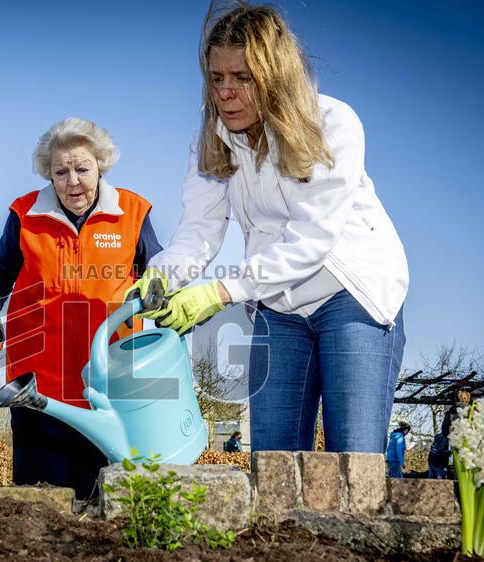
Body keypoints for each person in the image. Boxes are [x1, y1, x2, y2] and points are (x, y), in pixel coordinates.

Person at [131, 5, 408, 455]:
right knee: (274, 460)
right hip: (279, 306)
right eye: (217, 77)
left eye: (241, 77)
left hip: (352, 296)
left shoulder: (332, 124)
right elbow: (197, 233)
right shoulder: (213, 141)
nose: (225, 91)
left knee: (354, 460)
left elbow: (312, 241)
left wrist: (217, 293)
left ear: (274, 74)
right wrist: (163, 274)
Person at [0, 117, 162, 499]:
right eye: (61, 171)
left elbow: (156, 269)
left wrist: (158, 287)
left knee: (107, 499)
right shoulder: (25, 214)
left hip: (109, 378)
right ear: (48, 173)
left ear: (100, 166)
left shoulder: (133, 212)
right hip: (38, 382)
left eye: (82, 169)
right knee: (39, 497)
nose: (72, 181)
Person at [428, 410, 455, 479]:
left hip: (433, 462)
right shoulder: (444, 438)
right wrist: (451, 452)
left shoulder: (440, 436)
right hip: (439, 464)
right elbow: (440, 451)